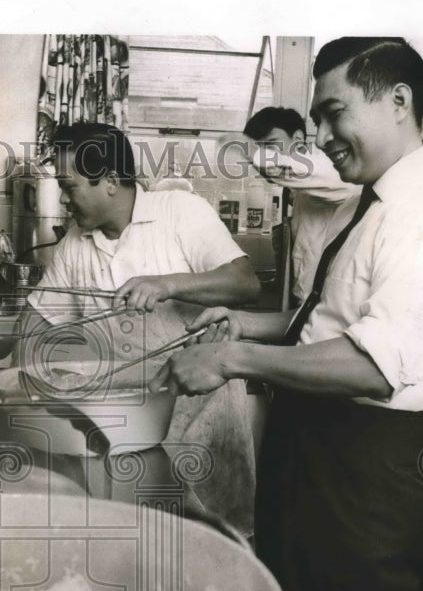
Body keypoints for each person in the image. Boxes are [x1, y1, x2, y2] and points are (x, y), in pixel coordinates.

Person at [151, 38, 423, 591]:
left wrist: (233, 361)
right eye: (318, 120)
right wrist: (242, 326)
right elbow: (321, 323)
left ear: (399, 103)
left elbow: (371, 362)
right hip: (317, 450)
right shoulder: (368, 207)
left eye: (335, 115)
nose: (324, 138)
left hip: (365, 466)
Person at [15, 121, 261, 529]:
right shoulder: (75, 244)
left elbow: (244, 282)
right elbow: (39, 321)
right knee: (142, 542)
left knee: (215, 539)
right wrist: (18, 383)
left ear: (110, 181)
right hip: (129, 425)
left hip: (203, 415)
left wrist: (168, 284)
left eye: (69, 186)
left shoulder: (179, 212)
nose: (63, 198)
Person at [242, 106, 360, 305]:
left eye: (270, 144)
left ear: (297, 139)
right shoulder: (299, 187)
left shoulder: (328, 167)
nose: (264, 155)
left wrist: (241, 147)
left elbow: (281, 167)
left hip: (327, 304)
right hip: (304, 299)